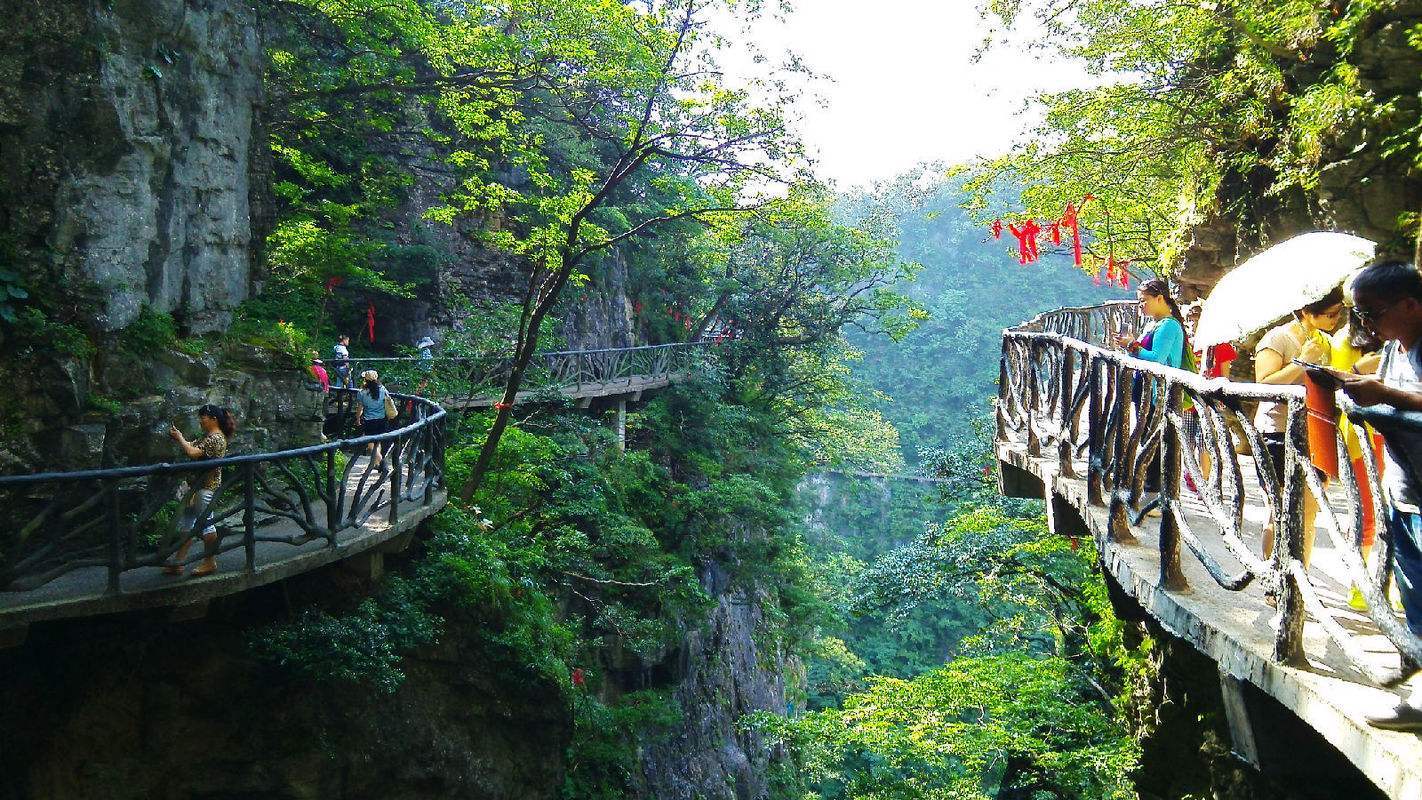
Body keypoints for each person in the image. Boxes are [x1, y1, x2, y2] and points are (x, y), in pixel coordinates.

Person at [1330, 259, 1422, 731]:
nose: (1365, 324)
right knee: (1415, 596)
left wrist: (1389, 397)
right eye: (1359, 314)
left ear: (1410, 304)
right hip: (1405, 490)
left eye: (1372, 312)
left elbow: (1404, 399)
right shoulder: (1394, 350)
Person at [1253, 286, 1346, 568]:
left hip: (1314, 431)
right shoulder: (1278, 338)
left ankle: (1299, 579)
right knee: (1279, 508)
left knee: (1309, 510)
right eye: (1329, 315)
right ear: (1307, 312)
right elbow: (1264, 383)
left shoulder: (1323, 340)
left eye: (1337, 314)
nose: (1334, 321)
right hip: (1277, 431)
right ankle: (1275, 576)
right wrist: (1302, 360)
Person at [1114, 279, 1193, 503]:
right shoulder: (1153, 324)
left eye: (1144, 301)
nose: (1141, 306)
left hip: (1159, 394)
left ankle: (1155, 496)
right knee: (1146, 439)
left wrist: (1132, 345)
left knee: (1154, 444)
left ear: (1160, 298)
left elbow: (1156, 359)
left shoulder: (1169, 326)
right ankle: (1148, 492)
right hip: (1146, 392)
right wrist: (1129, 347)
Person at [1332, 308, 1385, 610]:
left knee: (1393, 513)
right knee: (1366, 511)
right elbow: (1342, 385)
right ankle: (1359, 584)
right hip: (1361, 434)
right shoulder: (1345, 340)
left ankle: (1388, 583)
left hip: (1392, 433)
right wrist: (1366, 366)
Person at [164, 405, 236, 577]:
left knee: (206, 525)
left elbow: (192, 452)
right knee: (187, 525)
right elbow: (191, 445)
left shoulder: (216, 438)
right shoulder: (209, 437)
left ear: (213, 419)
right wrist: (179, 438)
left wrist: (180, 437)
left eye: (202, 417)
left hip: (206, 489)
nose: (200, 421)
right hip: (197, 488)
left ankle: (210, 562)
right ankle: (178, 562)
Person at [354, 369, 394, 469]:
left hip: (369, 421)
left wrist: (358, 419)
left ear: (365, 380)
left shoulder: (362, 392)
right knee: (378, 441)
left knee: (371, 444)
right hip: (382, 420)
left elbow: (360, 408)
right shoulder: (383, 389)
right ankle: (377, 463)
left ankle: (381, 462)